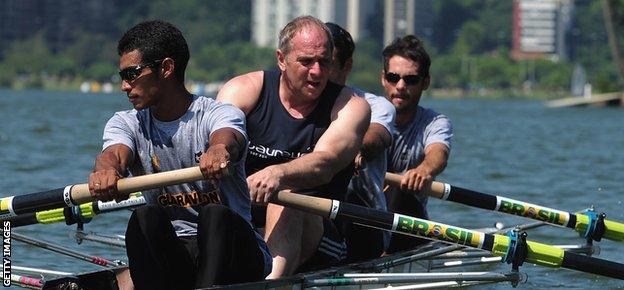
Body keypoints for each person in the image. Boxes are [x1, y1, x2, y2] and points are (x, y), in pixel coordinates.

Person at [88, 20, 271, 290]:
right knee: (144, 218)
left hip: (236, 253)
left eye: (132, 74)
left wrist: (218, 151)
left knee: (214, 215)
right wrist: (106, 172)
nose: (125, 86)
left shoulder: (218, 113)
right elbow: (114, 153)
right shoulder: (126, 123)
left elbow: (226, 138)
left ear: (166, 68)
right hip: (176, 255)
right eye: (122, 77)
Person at [216, 16, 370, 278]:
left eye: (324, 61)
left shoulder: (351, 106)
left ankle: (270, 283)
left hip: (318, 233)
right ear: (281, 59)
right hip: (246, 223)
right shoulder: (242, 90)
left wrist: (276, 173)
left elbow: (326, 162)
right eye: (307, 61)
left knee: (287, 196)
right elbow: (218, 141)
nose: (317, 72)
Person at [325, 22, 396, 262]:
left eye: (326, 62)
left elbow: (376, 137)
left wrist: (352, 147)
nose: (316, 71)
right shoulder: (296, 107)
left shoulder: (376, 105)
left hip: (365, 224)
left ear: (347, 66)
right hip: (310, 217)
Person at [381, 35, 453, 254]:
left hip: (408, 224)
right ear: (383, 79)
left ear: (425, 82)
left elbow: (438, 153)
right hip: (360, 216)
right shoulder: (365, 112)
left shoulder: (435, 122)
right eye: (394, 78)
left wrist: (424, 170)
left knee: (401, 190)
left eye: (410, 80)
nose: (401, 86)